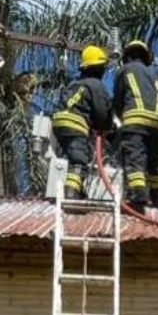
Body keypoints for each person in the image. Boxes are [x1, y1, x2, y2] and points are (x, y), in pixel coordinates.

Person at [112, 39, 158, 212]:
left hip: (134, 121)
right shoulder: (155, 75)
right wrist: (157, 118)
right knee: (153, 160)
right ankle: (157, 196)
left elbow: (118, 100)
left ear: (127, 56)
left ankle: (138, 198)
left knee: (135, 158)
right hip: (155, 123)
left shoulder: (124, 71)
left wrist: (120, 119)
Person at [52, 45, 113, 199]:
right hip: (75, 124)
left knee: (71, 155)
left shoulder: (75, 84)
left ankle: (77, 189)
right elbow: (101, 112)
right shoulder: (96, 85)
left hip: (59, 124)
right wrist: (107, 126)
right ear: (99, 69)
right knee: (79, 159)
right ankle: (71, 192)